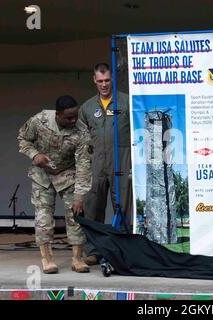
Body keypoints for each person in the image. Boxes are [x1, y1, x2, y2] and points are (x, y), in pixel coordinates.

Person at [18, 95, 91, 274]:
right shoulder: (39, 120)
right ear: (57, 115)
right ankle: (47, 258)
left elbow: (84, 165)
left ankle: (77, 258)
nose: (73, 120)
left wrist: (79, 196)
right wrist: (35, 155)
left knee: (75, 216)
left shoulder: (82, 131)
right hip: (42, 175)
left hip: (67, 175)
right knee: (43, 218)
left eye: (75, 116)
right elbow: (23, 139)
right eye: (68, 117)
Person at [77, 63, 133, 265]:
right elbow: (81, 140)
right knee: (93, 207)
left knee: (123, 208)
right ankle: (94, 251)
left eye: (107, 80)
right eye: (100, 81)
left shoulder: (126, 102)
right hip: (96, 164)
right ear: (94, 80)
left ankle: (122, 251)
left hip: (121, 162)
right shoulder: (87, 107)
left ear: (113, 79)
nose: (104, 85)